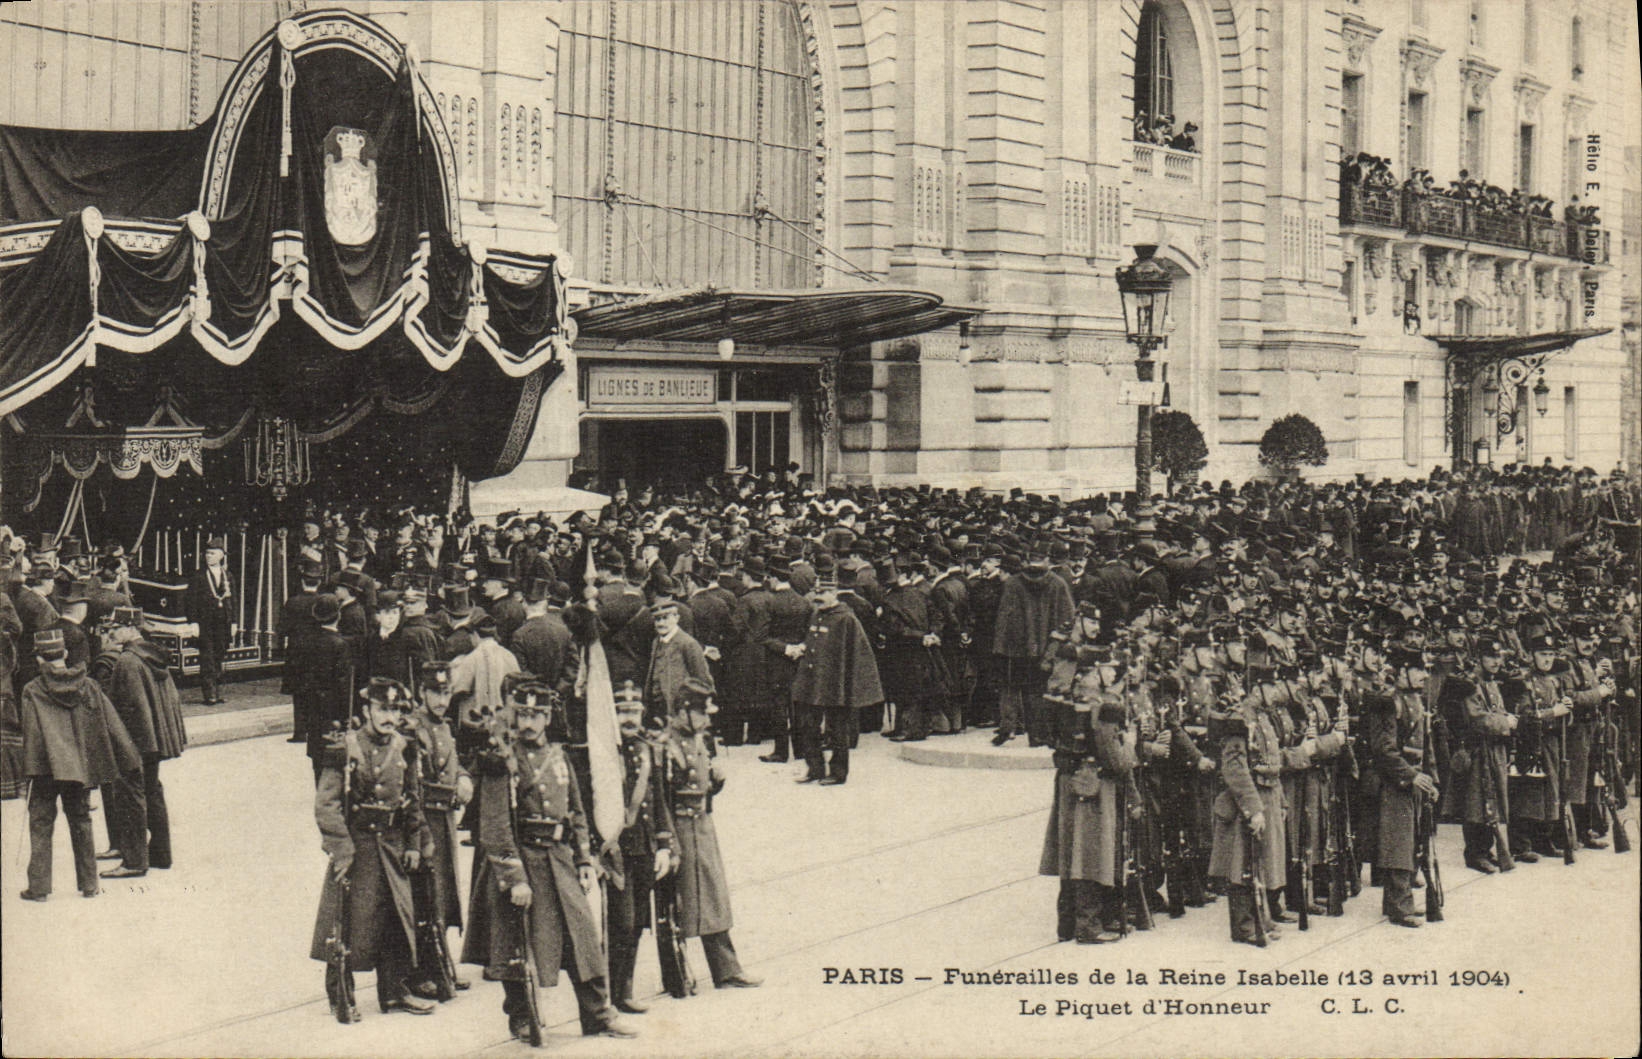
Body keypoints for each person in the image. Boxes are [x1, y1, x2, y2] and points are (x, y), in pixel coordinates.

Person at [461, 679, 638, 1042]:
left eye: (536, 715)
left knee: (582, 937)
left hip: (559, 862)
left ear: (546, 718)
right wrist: (514, 878)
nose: (528, 722)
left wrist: (585, 859)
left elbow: (575, 813)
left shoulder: (559, 756)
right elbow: (494, 827)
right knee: (515, 946)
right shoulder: (501, 759)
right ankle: (522, 1017)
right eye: (522, 714)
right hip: (523, 862)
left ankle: (598, 1014)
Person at [309, 677, 436, 1017]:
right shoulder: (346, 748)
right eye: (382, 709)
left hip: (392, 846)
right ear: (367, 710)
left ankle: (394, 992)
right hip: (358, 846)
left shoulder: (405, 747)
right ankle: (341, 995)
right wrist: (342, 849)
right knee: (348, 922)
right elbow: (326, 805)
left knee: (396, 918)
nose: (389, 716)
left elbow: (412, 800)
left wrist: (413, 842)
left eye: (395, 709)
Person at [19, 628, 143, 901]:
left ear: (39, 659)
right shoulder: (88, 685)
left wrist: (29, 770)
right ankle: (89, 884)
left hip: (45, 768)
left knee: (40, 823)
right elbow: (110, 725)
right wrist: (128, 758)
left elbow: (31, 734)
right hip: (78, 768)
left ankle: (39, 888)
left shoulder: (32, 690)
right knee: (82, 821)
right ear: (64, 654)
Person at [657, 680, 761, 989]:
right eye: (703, 713)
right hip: (679, 829)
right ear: (685, 712)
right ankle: (676, 976)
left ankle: (726, 970)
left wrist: (716, 782)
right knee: (676, 905)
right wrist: (668, 841)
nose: (708, 720)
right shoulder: (665, 745)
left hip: (701, 826)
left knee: (713, 897)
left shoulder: (699, 738)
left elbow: (703, 784)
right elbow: (662, 797)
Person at [89, 608, 186, 877]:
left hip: (136, 743)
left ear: (132, 629)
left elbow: (129, 709)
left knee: (131, 797)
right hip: (154, 740)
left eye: (116, 627)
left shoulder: (128, 661)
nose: (111, 632)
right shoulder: (152, 656)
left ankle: (133, 861)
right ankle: (160, 854)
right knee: (152, 792)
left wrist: (123, 746)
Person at [604, 681, 674, 1014]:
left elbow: (658, 800)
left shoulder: (648, 748)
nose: (628, 718)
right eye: (622, 712)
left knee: (638, 921)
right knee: (622, 921)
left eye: (633, 711)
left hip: (644, 846)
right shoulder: (605, 753)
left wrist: (663, 843)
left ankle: (624, 988)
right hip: (617, 849)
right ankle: (613, 991)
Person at [408, 660, 473, 999]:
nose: (441, 699)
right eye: (435, 692)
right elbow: (416, 783)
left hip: (445, 820)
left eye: (446, 692)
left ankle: (442, 961)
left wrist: (463, 776)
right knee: (426, 896)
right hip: (426, 821)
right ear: (422, 692)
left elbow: (453, 759)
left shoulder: (443, 726)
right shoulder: (413, 728)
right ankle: (423, 969)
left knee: (444, 895)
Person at [790, 559, 883, 785]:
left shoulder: (846, 618)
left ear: (835, 594)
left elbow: (860, 655)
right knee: (808, 725)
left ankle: (838, 772)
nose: (819, 597)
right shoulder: (817, 614)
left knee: (837, 729)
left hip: (835, 683)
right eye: (818, 592)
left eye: (825, 593)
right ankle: (814, 767)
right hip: (812, 681)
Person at [1367, 647, 1440, 928]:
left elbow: (1426, 744)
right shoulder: (1388, 702)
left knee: (1413, 841)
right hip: (1395, 781)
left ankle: (1398, 901)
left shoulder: (1416, 700)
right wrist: (1411, 776)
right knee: (1398, 844)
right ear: (1401, 673)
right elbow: (1383, 749)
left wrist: (1431, 778)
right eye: (1417, 669)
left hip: (1415, 778)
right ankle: (1399, 905)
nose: (1423, 675)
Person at [643, 596, 714, 722]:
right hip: (658, 705)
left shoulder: (687, 643)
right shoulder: (656, 642)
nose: (661, 623)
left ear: (676, 618)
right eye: (657, 619)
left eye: (665, 618)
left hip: (678, 707)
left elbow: (702, 679)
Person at [184, 537, 234, 705]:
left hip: (223, 623)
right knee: (207, 658)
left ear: (221, 556)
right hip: (205, 624)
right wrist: (193, 622)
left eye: (212, 553)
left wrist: (233, 622)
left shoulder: (228, 575)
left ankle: (218, 691)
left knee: (219, 656)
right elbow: (190, 601)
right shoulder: (198, 576)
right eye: (207, 553)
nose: (208, 556)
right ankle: (209, 694)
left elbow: (233, 601)